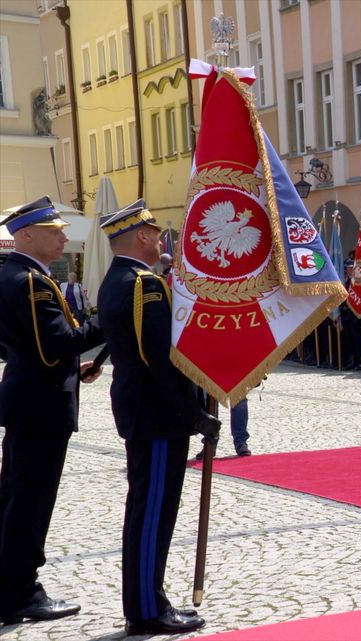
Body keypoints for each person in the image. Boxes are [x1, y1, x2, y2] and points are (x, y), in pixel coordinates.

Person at [97, 199, 221, 633]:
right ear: (143, 237)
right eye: (156, 231)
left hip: (146, 412)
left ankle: (150, 599)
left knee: (150, 509)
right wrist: (194, 415)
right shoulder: (142, 286)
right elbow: (160, 360)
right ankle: (147, 610)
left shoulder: (119, 280)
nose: (162, 237)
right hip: (157, 415)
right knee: (152, 512)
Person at [0, 196, 104, 625]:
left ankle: (10, 585)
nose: (64, 236)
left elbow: (30, 346)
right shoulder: (30, 281)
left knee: (15, 497)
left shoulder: (13, 274)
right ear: (26, 234)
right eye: (54, 230)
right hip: (41, 405)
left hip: (28, 396)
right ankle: (22, 592)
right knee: (30, 502)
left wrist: (64, 367)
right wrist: (110, 320)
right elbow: (55, 343)